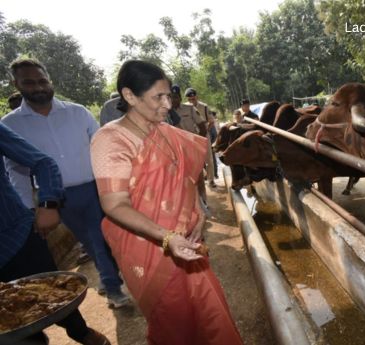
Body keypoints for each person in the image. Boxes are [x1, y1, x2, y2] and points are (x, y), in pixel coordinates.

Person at [90, 59, 242, 344]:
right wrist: (167, 237)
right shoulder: (111, 140)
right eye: (157, 97)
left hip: (186, 241)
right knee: (173, 320)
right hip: (148, 246)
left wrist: (197, 209)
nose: (168, 104)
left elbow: (186, 177)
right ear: (129, 96)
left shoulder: (165, 132)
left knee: (208, 311)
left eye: (169, 96)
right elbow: (114, 204)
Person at [1, 58, 130, 309]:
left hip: (94, 189)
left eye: (42, 80)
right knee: (91, 241)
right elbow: (15, 172)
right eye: (29, 82)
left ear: (49, 80)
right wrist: (31, 208)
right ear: (16, 85)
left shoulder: (77, 112)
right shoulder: (10, 125)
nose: (38, 87)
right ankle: (110, 277)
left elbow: (103, 147)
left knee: (100, 236)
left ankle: (113, 287)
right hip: (59, 200)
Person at [0, 123, 110, 345]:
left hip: (16, 239)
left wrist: (49, 203)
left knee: (55, 300)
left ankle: (82, 333)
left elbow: (43, 163)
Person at [185, 87, 217, 187]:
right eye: (189, 99)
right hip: (191, 137)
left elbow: (211, 121)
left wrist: (207, 129)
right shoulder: (185, 108)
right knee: (193, 160)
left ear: (196, 97)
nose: (191, 101)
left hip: (204, 135)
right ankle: (196, 181)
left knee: (209, 159)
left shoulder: (204, 107)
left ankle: (211, 180)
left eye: (193, 98)